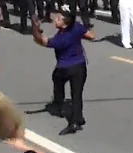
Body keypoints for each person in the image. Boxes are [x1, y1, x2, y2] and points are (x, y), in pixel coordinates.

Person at [32, 7, 95, 135]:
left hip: (65, 68)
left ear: (65, 23)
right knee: (76, 95)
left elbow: (40, 40)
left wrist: (35, 28)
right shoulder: (76, 27)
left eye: (59, 19)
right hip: (80, 66)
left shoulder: (60, 40)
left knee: (57, 79)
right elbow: (91, 35)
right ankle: (77, 120)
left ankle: (59, 104)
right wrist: (78, 37)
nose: (56, 19)